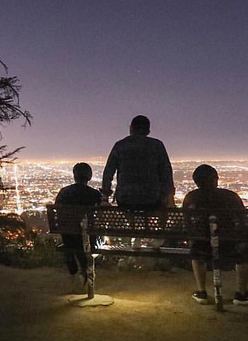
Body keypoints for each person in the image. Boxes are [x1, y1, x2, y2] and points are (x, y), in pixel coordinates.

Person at [183, 164, 248, 306]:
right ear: (216, 179)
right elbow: (243, 224)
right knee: (245, 252)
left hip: (202, 247)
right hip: (230, 246)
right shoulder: (230, 196)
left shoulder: (190, 197)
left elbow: (187, 225)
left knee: (196, 251)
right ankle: (241, 294)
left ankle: (201, 292)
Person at [101, 115, 175, 210]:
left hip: (125, 199)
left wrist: (105, 196)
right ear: (148, 131)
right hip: (152, 199)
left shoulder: (120, 146)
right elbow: (166, 172)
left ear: (131, 128)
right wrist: (169, 196)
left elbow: (108, 172)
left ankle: (132, 224)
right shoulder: (157, 145)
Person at [55, 162, 102, 292]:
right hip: (88, 237)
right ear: (90, 176)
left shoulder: (64, 192)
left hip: (68, 236)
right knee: (86, 240)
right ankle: (85, 273)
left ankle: (75, 273)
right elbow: (101, 214)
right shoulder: (94, 194)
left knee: (72, 244)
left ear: (74, 176)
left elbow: (58, 213)